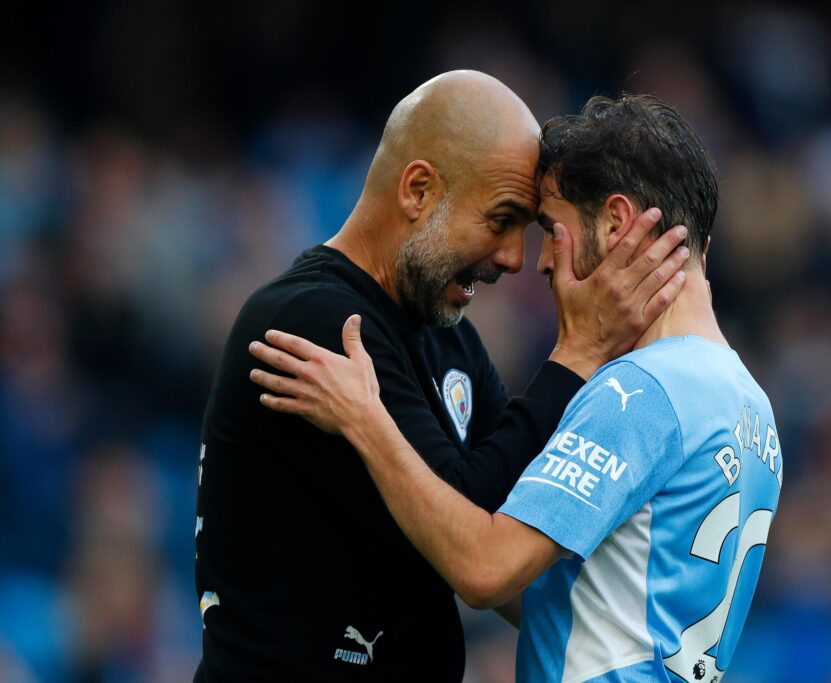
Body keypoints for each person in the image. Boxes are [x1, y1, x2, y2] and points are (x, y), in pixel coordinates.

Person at [250, 94, 783, 682]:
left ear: (616, 222)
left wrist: (364, 420)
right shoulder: (749, 406)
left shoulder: (638, 392)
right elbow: (580, 605)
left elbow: (484, 570)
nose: (541, 263)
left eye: (551, 230)